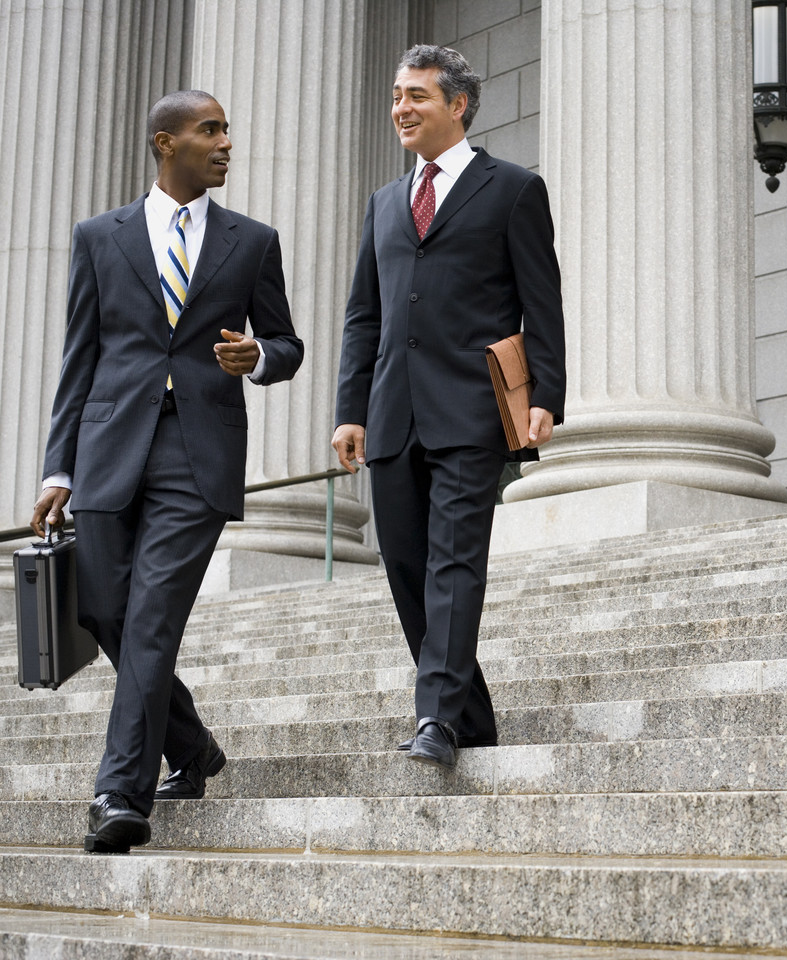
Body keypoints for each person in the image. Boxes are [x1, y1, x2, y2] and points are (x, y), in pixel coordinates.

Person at [31, 90, 304, 853]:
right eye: (208, 130)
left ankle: (119, 793)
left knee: (151, 619)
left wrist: (261, 358)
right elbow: (78, 359)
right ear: (164, 143)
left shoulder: (252, 241)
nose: (224, 143)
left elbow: (286, 342)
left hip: (199, 454)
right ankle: (192, 746)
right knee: (107, 614)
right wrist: (59, 469)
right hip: (108, 449)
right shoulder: (99, 236)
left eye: (226, 130)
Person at [332, 44, 566, 770]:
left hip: (471, 412)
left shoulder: (513, 189)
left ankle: (436, 716)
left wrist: (546, 397)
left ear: (457, 105)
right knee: (405, 565)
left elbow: (541, 303)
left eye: (417, 97)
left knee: (455, 563)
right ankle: (473, 715)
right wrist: (351, 409)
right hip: (394, 414)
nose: (401, 107)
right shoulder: (383, 203)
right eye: (398, 95)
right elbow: (363, 316)